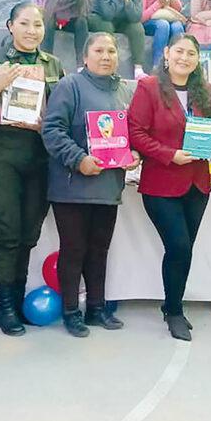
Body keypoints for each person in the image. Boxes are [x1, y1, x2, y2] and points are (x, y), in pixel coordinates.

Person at [42, 32, 139, 338]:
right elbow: (52, 130)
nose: (106, 56)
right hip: (72, 186)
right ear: (85, 57)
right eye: (98, 50)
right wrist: (79, 159)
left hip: (108, 186)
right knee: (74, 251)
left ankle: (96, 308)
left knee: (99, 250)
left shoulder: (124, 90)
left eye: (111, 50)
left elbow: (131, 133)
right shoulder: (69, 85)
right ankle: (71, 311)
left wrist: (133, 153)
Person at [0, 2, 64, 336]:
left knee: (29, 234)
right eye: (24, 23)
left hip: (40, 157)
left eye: (37, 24)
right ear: (10, 26)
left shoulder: (53, 64)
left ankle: (16, 300)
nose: (31, 30)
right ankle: (6, 307)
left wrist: (49, 123)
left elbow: (63, 112)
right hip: (1, 155)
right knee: (8, 233)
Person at [128, 33, 211, 342]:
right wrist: (169, 154)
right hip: (161, 183)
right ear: (167, 53)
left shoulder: (204, 90)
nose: (184, 58)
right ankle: (174, 311)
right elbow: (136, 132)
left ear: (197, 59)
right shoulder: (149, 87)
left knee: (185, 250)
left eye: (191, 53)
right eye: (179, 51)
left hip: (197, 183)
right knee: (178, 246)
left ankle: (172, 305)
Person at [94, 0, 146, 79]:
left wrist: (127, 0)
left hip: (122, 20)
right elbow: (107, 14)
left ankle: (138, 69)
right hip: (101, 18)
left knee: (137, 27)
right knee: (107, 26)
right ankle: (109, 65)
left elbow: (136, 17)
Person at [139, 0, 185, 68]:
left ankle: (178, 63)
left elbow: (177, 11)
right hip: (150, 23)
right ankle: (158, 65)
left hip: (169, 19)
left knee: (177, 26)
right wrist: (157, 4)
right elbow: (141, 17)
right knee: (163, 25)